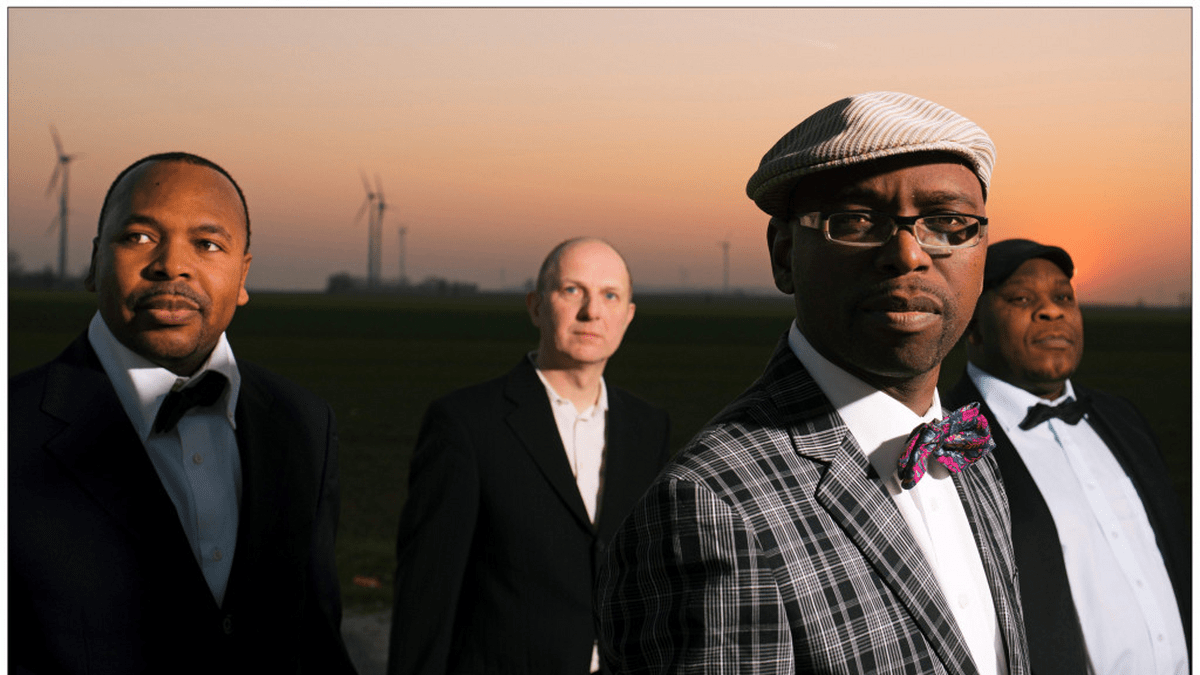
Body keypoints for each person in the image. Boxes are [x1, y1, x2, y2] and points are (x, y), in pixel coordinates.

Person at [596, 91, 1031, 675]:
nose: (907, 254)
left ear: (980, 251)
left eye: (948, 223)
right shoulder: (711, 509)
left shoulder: (971, 453)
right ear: (784, 256)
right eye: (855, 221)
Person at [9, 152, 356, 675]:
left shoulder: (304, 423)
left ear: (243, 275)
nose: (172, 265)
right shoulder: (10, 431)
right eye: (139, 237)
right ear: (94, 262)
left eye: (207, 244)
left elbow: (317, 640)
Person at [387, 237, 671, 675]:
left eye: (610, 295)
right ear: (536, 306)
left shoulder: (648, 428)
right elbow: (426, 598)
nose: (591, 311)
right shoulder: (465, 424)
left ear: (628, 316)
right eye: (572, 290)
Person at [944, 238, 1189, 675]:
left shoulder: (1123, 418)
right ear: (972, 324)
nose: (1051, 311)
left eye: (1064, 297)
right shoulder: (949, 443)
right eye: (1022, 298)